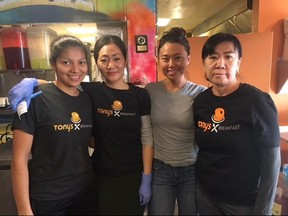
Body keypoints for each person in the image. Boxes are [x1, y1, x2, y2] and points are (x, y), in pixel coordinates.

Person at [9, 34, 153, 215]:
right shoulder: (89, 92)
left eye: (117, 58)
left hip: (97, 187)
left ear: (125, 59)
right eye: (66, 62)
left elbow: (146, 138)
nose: (111, 65)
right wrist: (32, 82)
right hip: (69, 188)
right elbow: (61, 87)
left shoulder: (133, 96)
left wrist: (146, 177)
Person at [193, 32, 281, 215]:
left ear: (239, 61)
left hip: (243, 203)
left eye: (228, 57)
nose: (220, 64)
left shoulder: (257, 101)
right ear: (204, 63)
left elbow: (272, 163)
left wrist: (263, 210)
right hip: (206, 196)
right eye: (213, 57)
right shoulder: (201, 101)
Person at [11, 35, 96, 215]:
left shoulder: (87, 100)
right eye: (66, 62)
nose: (75, 69)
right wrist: (24, 210)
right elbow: (19, 159)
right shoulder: (35, 99)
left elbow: (86, 141)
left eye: (81, 62)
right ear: (53, 64)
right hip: (48, 197)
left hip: (84, 193)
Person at [145, 27, 206, 215]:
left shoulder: (201, 94)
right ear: (158, 60)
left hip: (191, 171)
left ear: (188, 59)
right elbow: (145, 133)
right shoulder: (150, 91)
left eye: (178, 57)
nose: (171, 64)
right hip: (160, 170)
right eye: (165, 58)